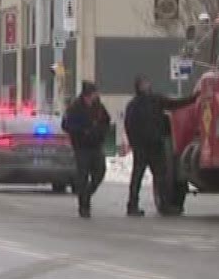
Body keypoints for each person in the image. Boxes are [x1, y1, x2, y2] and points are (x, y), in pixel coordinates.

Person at [121, 75, 196, 217]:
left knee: (160, 176)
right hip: (144, 146)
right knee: (140, 176)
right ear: (139, 87)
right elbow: (129, 125)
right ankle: (133, 205)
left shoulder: (154, 100)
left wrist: (192, 99)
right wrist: (135, 143)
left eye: (147, 83)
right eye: (144, 84)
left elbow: (174, 104)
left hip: (155, 145)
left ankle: (164, 204)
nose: (147, 86)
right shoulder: (136, 104)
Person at [62, 81, 111, 218]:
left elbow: (106, 121)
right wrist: (82, 131)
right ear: (86, 95)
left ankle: (88, 192)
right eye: (92, 94)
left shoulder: (99, 107)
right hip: (81, 146)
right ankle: (84, 205)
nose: (95, 96)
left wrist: (101, 132)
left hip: (96, 145)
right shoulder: (75, 108)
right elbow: (66, 125)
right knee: (82, 175)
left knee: (100, 171)